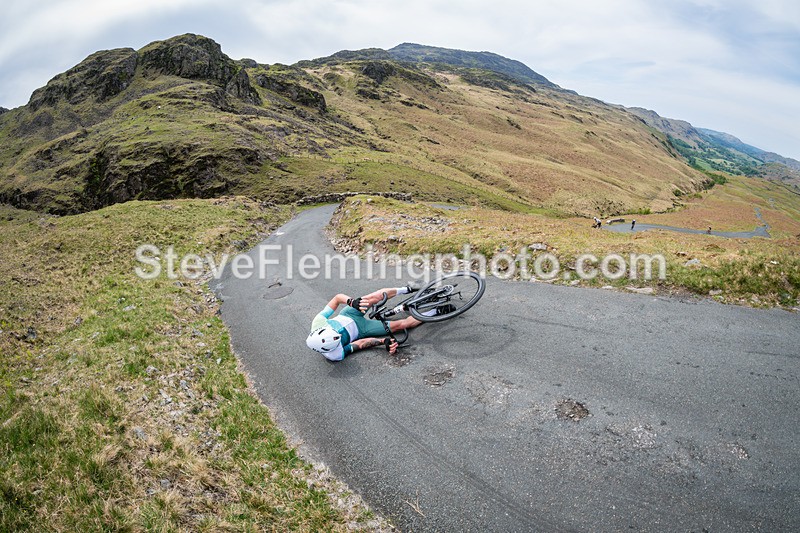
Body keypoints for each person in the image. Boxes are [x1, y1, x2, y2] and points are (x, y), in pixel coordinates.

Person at [306, 283, 451, 361]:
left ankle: (407, 289)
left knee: (375, 297)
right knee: (400, 325)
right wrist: (383, 342)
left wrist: (351, 302)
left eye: (334, 331)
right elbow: (362, 343)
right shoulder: (335, 355)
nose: (337, 333)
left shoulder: (318, 322)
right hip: (362, 329)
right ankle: (435, 312)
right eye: (337, 338)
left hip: (349, 312)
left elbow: (337, 298)